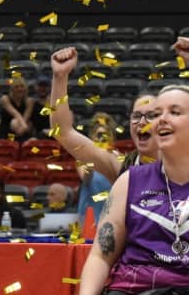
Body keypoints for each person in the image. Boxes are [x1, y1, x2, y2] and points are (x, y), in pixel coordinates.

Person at [78, 82, 189, 294]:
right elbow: (100, 257)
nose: (162, 119)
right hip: (134, 289)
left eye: (175, 112)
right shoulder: (129, 181)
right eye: (157, 114)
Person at [48, 46, 158, 182]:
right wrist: (60, 76)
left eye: (151, 116)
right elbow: (63, 132)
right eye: (136, 116)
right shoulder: (120, 165)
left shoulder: (182, 165)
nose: (142, 122)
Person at [76, 117, 116, 222]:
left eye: (105, 135)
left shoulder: (117, 158)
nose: (102, 138)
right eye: (99, 135)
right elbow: (85, 178)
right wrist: (92, 159)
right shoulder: (82, 158)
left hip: (111, 210)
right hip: (89, 211)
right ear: (93, 137)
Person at [0, 76, 36, 140]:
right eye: (16, 87)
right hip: (6, 131)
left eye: (22, 86)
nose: (19, 89)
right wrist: (24, 126)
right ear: (12, 89)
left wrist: (22, 129)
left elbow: (25, 118)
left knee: (32, 142)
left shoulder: (30, 101)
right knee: (14, 122)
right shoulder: (5, 99)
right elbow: (16, 114)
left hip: (22, 130)